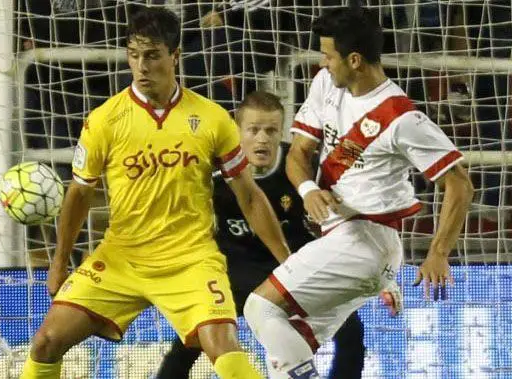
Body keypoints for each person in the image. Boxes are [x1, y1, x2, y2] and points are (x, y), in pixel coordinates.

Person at [20, 6, 291, 379]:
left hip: (191, 257)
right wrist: (60, 262)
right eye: (134, 56)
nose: (142, 66)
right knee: (45, 343)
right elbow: (79, 195)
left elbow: (248, 196)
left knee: (223, 347)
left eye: (152, 55)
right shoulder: (104, 120)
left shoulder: (212, 118)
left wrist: (287, 264)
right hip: (123, 256)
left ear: (175, 56)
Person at [242, 7, 474, 379]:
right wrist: (308, 189)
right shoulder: (324, 84)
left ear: (354, 60)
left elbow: (460, 183)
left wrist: (439, 252)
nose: (323, 62)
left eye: (329, 56)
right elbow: (299, 153)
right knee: (286, 348)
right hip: (344, 242)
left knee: (260, 308)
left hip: (363, 242)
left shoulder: (402, 118)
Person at [156, 91, 370, 379]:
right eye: (253, 130)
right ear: (237, 131)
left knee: (351, 329)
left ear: (281, 131)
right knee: (191, 339)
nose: (262, 139)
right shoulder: (212, 174)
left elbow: (347, 184)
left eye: (271, 130)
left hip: (293, 270)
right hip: (234, 274)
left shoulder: (299, 167)